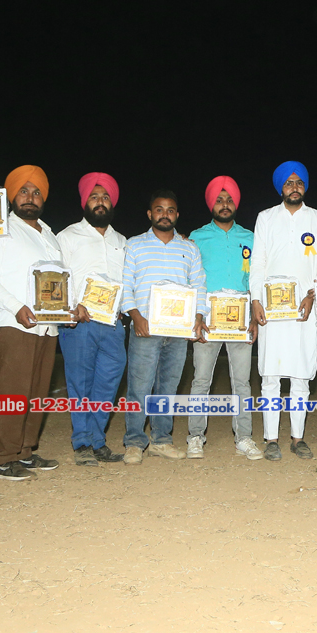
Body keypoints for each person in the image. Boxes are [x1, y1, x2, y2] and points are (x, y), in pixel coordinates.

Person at [0, 165, 84, 480]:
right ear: (12, 196)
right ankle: (3, 459)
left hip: (47, 326)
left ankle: (24, 452)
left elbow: (60, 280)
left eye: (36, 192)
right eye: (24, 191)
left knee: (37, 393)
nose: (30, 197)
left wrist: (68, 309)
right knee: (12, 392)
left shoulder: (49, 235)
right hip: (13, 323)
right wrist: (16, 306)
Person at [248, 161, 317, 461]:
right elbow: (258, 262)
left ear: (304, 187)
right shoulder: (266, 218)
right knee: (270, 376)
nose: (294, 187)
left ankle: (298, 438)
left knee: (301, 376)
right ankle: (271, 439)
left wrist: (313, 295)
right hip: (272, 309)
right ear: (280, 188)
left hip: (304, 311)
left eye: (299, 182)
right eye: (288, 182)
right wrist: (256, 300)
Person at [120, 190, 207, 464]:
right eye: (159, 209)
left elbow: (199, 285)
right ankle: (134, 442)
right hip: (145, 329)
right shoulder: (135, 245)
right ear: (150, 214)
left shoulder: (189, 248)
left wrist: (199, 315)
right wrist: (136, 316)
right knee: (139, 387)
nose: (165, 214)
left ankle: (161, 440)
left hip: (178, 332)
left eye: (170, 210)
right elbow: (126, 285)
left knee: (168, 388)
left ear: (177, 215)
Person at [187, 176, 262, 460]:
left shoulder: (251, 238)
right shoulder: (196, 237)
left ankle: (244, 437)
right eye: (219, 200)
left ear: (236, 204)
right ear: (211, 204)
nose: (225, 204)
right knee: (201, 380)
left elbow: (256, 279)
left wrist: (253, 316)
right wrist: (195, 315)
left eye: (229, 199)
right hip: (207, 319)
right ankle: (195, 436)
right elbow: (190, 279)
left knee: (242, 382)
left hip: (241, 321)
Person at [57, 173, 128, 466]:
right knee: (80, 383)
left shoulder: (121, 241)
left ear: (112, 203)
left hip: (113, 324)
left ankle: (98, 440)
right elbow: (58, 276)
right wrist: (72, 305)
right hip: (80, 322)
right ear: (85, 202)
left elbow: (128, 280)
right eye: (94, 197)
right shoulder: (67, 236)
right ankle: (83, 442)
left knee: (108, 383)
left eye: (105, 197)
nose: (100, 202)